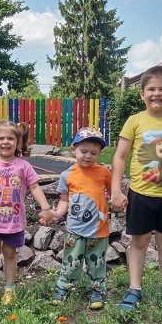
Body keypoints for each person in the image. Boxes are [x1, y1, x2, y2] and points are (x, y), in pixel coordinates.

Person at [110, 65, 162, 312]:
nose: (157, 94)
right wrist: (116, 190)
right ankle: (134, 289)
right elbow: (120, 156)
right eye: (151, 89)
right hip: (141, 195)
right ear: (142, 94)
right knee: (139, 242)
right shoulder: (135, 121)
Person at [0, 119, 52, 305]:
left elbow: (35, 188)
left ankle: (9, 290)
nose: (5, 142)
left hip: (14, 222)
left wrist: (46, 208)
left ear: (19, 142)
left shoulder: (23, 166)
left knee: (10, 254)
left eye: (10, 138)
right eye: (1, 138)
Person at [45, 127, 112, 310]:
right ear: (73, 149)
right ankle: (64, 287)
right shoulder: (67, 175)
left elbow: (113, 193)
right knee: (71, 260)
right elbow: (64, 200)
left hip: (99, 229)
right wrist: (57, 214)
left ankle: (96, 290)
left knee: (96, 262)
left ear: (99, 153)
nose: (88, 156)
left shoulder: (104, 173)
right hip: (75, 229)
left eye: (93, 153)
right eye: (84, 151)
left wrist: (118, 201)